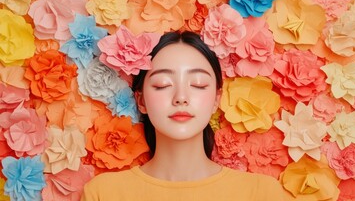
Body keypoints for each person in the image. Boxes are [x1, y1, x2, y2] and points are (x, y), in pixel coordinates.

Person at [81, 31, 286, 201]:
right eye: (163, 85)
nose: (181, 98)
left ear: (216, 99)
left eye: (198, 84)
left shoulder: (261, 194)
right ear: (141, 100)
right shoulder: (104, 194)